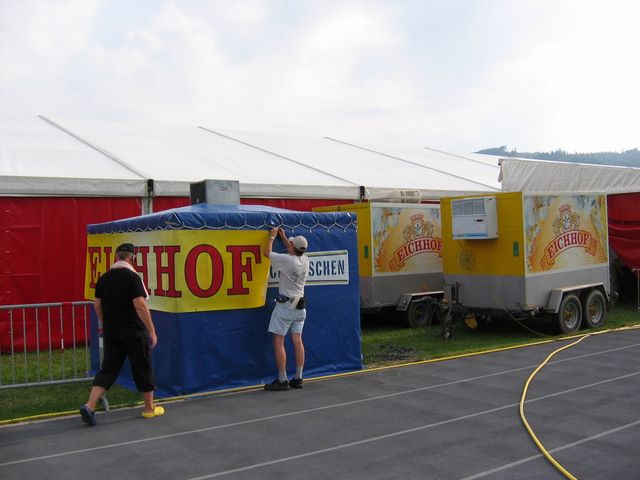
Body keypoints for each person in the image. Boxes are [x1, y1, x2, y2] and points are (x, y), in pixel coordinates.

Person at [80, 243, 164, 425]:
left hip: (112, 331)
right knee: (142, 366)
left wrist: (107, 324)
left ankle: (90, 405)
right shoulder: (133, 277)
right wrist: (152, 331)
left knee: (109, 368)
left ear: (116, 257)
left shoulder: (103, 278)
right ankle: (149, 409)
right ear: (132, 258)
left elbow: (97, 306)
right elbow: (140, 305)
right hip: (133, 330)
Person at [263, 227, 309, 391]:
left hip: (286, 307)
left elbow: (267, 253)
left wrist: (272, 237)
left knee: (279, 341)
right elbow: (294, 249)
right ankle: (298, 377)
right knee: (297, 341)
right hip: (300, 307)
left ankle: (282, 380)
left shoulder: (287, 260)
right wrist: (284, 238)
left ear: (293, 248)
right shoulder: (305, 260)